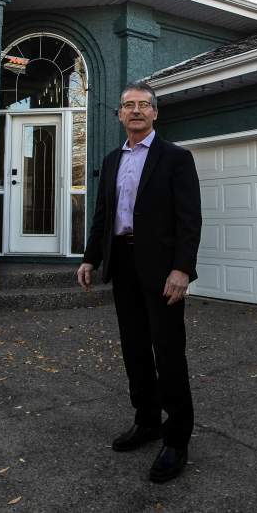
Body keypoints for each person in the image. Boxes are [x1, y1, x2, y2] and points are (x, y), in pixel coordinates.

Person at [77, 80, 202, 483]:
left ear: (154, 113)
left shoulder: (176, 159)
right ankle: (147, 420)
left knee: (168, 352)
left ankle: (177, 438)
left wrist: (182, 270)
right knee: (134, 348)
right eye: (127, 105)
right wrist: (90, 257)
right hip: (123, 264)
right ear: (118, 114)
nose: (135, 111)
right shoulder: (113, 160)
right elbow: (103, 213)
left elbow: (189, 220)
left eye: (142, 105)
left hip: (162, 269)